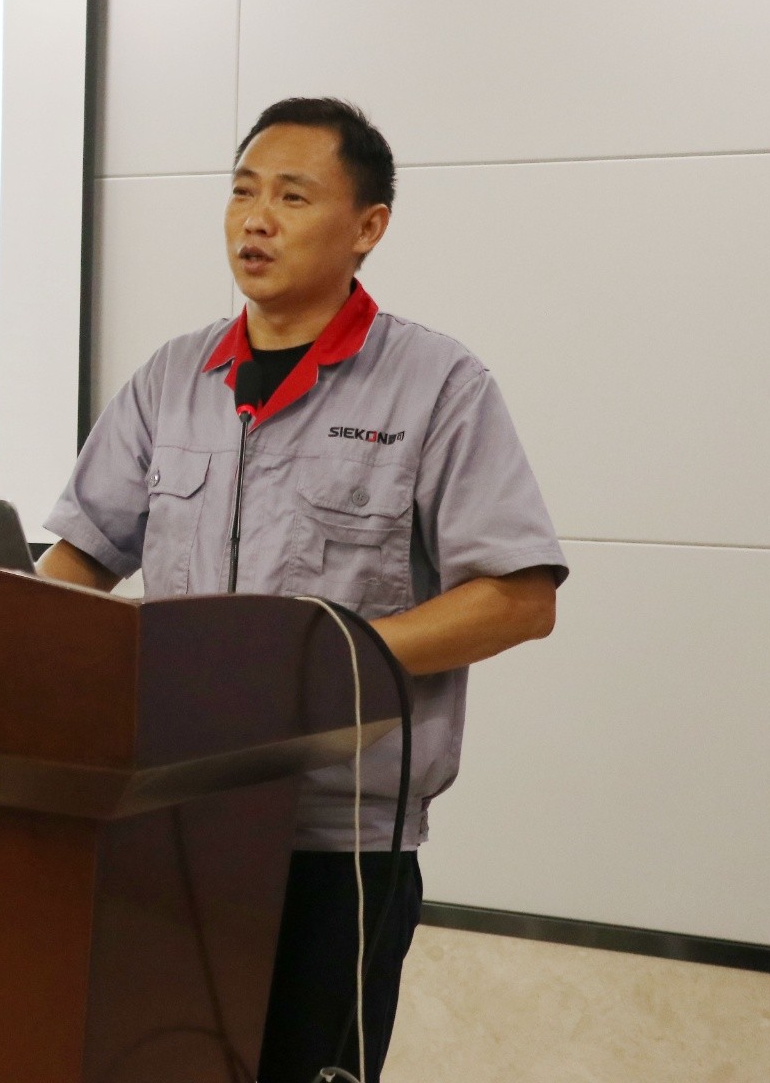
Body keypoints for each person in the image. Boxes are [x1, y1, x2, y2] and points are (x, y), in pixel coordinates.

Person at [38, 97, 566, 1082]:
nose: (256, 220)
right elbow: (77, 558)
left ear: (369, 226)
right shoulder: (171, 379)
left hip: (338, 838)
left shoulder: (437, 384)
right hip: (169, 817)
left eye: (291, 196)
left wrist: (321, 663)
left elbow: (519, 595)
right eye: (242, 192)